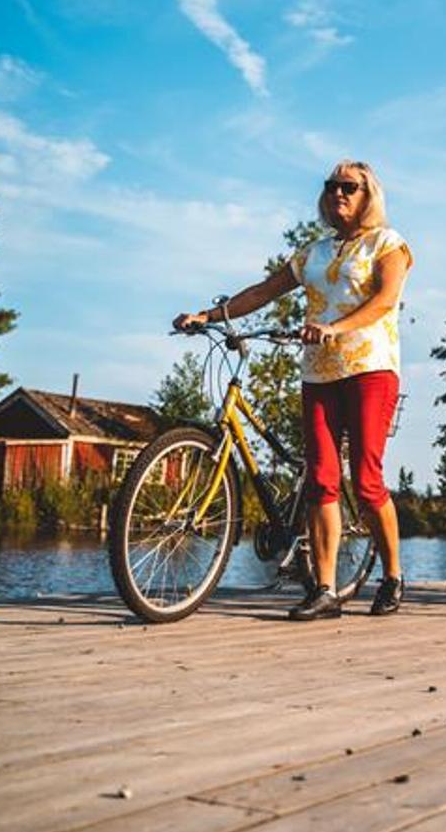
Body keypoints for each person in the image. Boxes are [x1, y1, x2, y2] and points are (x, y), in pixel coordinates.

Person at [173, 160, 412, 620]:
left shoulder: (388, 243)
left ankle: (393, 575)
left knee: (366, 481)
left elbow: (385, 300)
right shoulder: (313, 253)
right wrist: (208, 316)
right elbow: (263, 292)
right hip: (319, 373)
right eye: (331, 186)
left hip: (370, 368)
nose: (338, 193)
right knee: (321, 478)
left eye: (349, 187)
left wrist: (334, 327)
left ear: (368, 196)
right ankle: (324, 590)